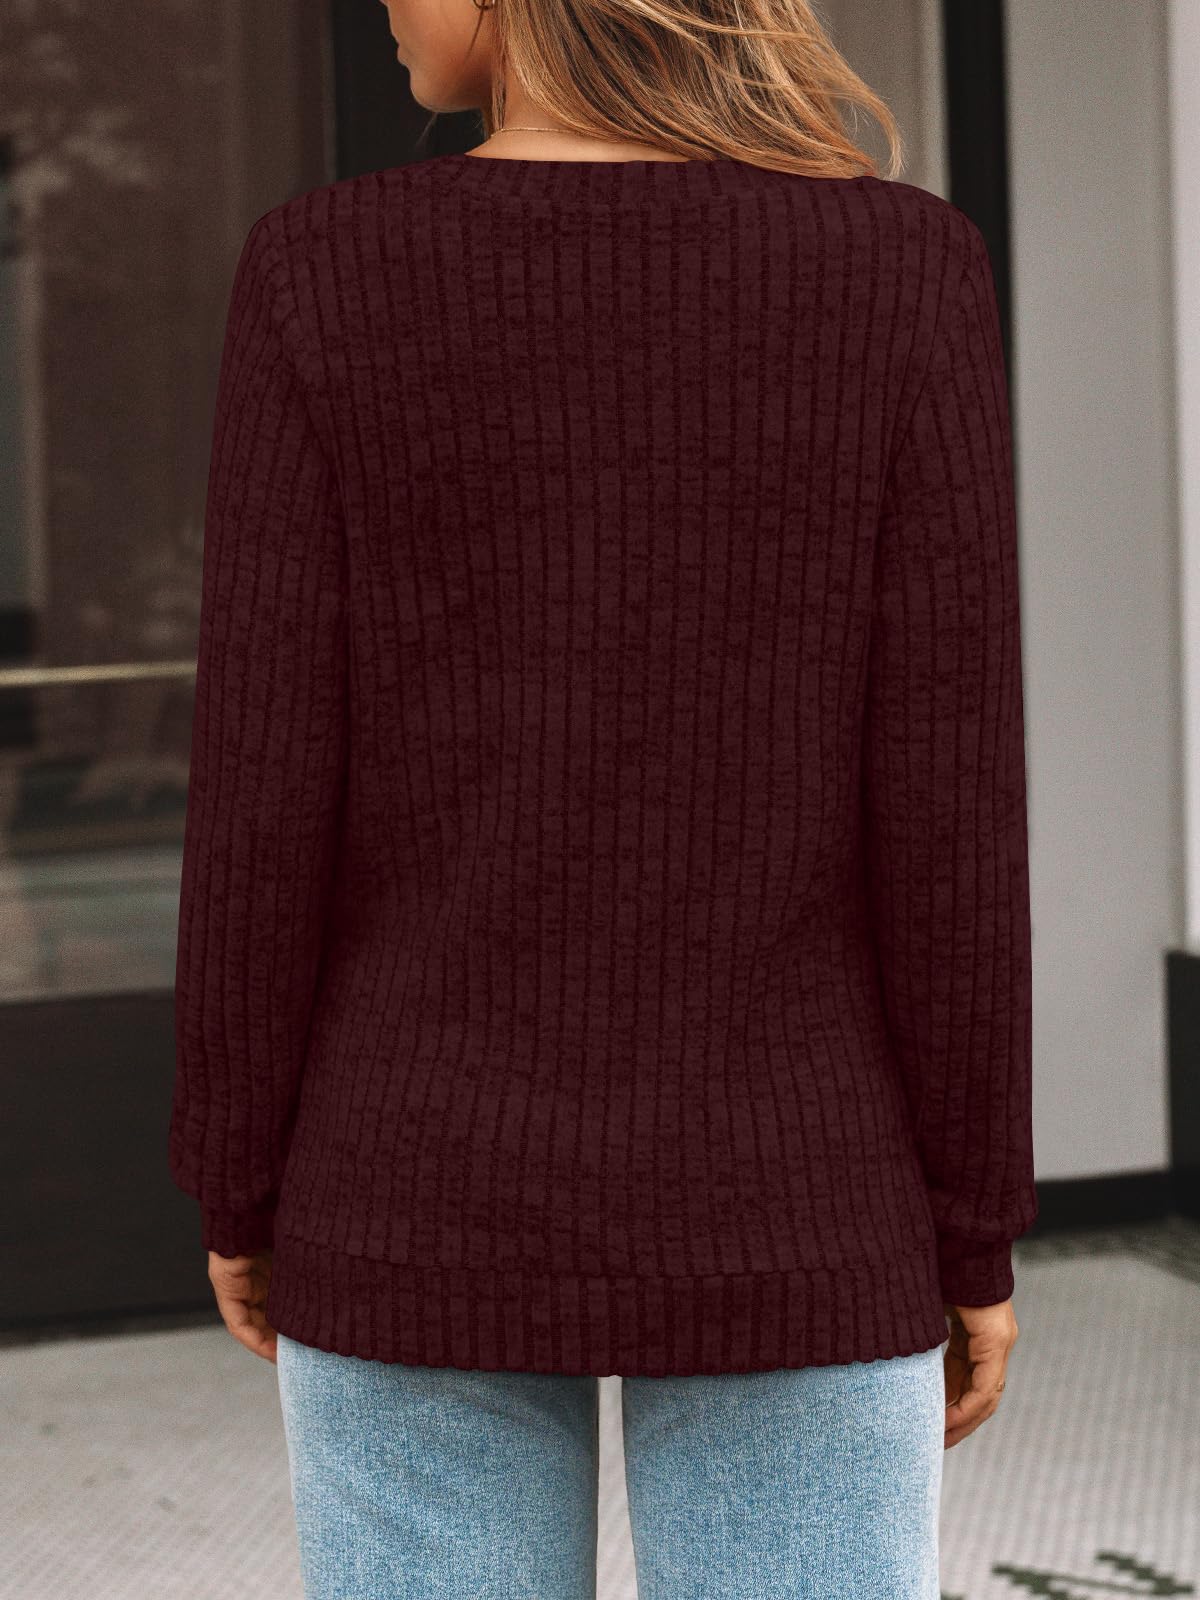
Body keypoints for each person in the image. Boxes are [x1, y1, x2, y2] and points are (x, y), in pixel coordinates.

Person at [167, 0, 1037, 1593]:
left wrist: (239, 1174)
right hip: (802, 1195)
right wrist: (973, 1217)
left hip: (409, 1180)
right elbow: (950, 816)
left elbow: (260, 794)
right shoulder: (905, 268)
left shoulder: (322, 269)